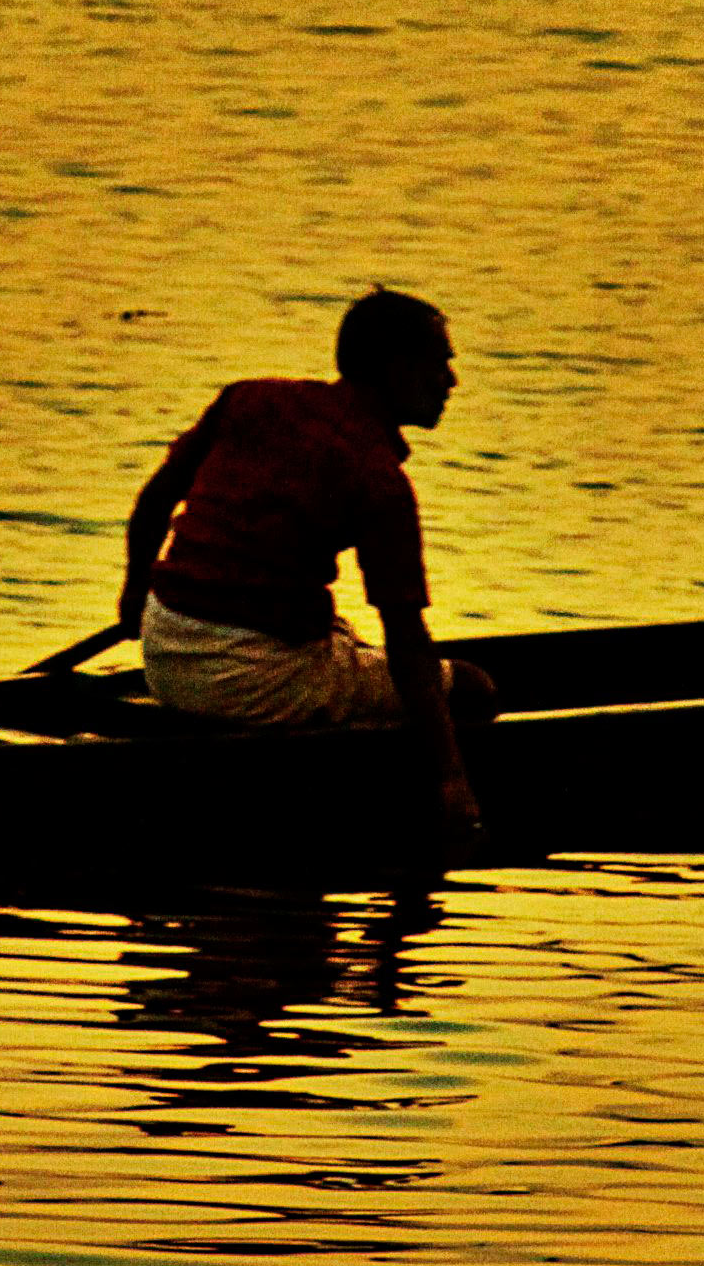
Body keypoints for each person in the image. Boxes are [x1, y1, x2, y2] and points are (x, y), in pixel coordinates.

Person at [118, 288, 497, 847]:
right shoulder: (377, 478)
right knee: (474, 689)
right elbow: (406, 637)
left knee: (345, 638)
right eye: (439, 364)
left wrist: (134, 604)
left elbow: (155, 501)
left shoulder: (251, 399)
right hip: (249, 680)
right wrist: (452, 779)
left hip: (164, 648)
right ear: (395, 369)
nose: (451, 382)